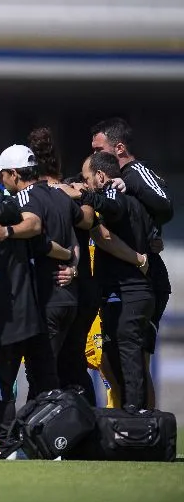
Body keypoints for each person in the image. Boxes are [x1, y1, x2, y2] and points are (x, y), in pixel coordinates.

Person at [0, 145, 88, 399]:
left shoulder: (23, 199)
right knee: (65, 370)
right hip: (70, 299)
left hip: (46, 298)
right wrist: (73, 265)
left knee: (41, 378)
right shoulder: (60, 196)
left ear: (15, 174)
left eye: (3, 175)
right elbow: (78, 234)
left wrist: (7, 232)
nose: (2, 181)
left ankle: (34, 435)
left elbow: (37, 233)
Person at [91, 118, 172, 408]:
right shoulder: (109, 183)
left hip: (147, 280)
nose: (94, 155)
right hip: (127, 279)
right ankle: (132, 426)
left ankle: (144, 429)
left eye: (99, 149)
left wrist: (131, 184)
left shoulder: (136, 172)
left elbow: (164, 204)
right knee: (119, 363)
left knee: (137, 361)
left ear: (119, 148)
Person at [28, 127, 98, 404]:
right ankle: (81, 429)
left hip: (52, 290)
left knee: (47, 366)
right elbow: (88, 220)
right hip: (77, 287)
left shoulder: (32, 196)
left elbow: (87, 221)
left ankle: (45, 429)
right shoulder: (74, 191)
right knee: (72, 363)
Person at [80, 152, 155, 408]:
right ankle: (128, 415)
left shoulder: (114, 195)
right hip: (124, 291)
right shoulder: (133, 201)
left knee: (128, 356)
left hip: (130, 292)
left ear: (100, 176)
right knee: (114, 356)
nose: (85, 184)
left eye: (87, 179)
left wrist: (85, 196)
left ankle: (137, 417)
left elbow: (113, 207)